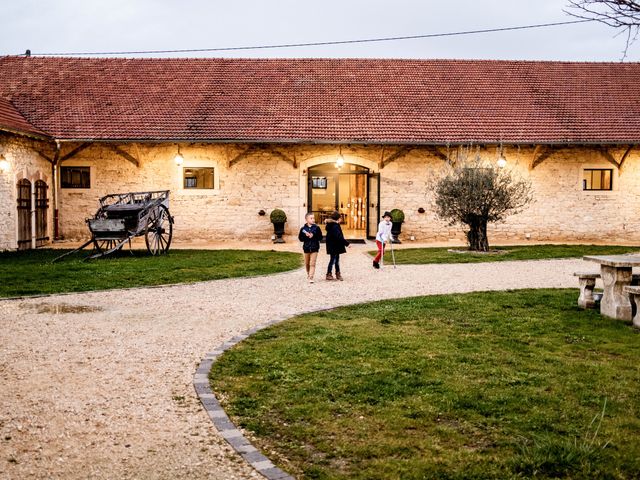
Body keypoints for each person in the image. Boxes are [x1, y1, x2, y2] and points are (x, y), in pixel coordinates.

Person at [298, 212, 323, 283]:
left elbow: (320, 237)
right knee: (307, 263)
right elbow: (300, 238)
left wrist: (314, 236)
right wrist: (305, 236)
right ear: (306, 220)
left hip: (314, 248)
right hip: (306, 248)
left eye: (313, 218)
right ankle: (308, 273)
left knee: (312, 263)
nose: (313, 219)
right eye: (311, 218)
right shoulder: (303, 229)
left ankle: (311, 277)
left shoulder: (317, 228)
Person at [324, 211, 349, 281]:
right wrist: (347, 243)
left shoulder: (333, 225)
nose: (341, 219)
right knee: (333, 260)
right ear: (338, 218)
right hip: (334, 246)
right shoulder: (334, 226)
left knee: (336, 260)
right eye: (340, 217)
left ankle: (337, 273)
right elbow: (339, 237)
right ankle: (329, 274)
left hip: (335, 246)